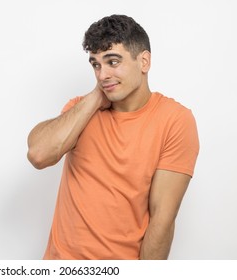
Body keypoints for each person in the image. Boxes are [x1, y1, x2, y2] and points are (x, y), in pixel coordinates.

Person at [27, 14, 199, 260]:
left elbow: (162, 219)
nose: (101, 74)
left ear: (144, 61)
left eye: (113, 62)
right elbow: (39, 154)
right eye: (96, 64)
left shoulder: (175, 120)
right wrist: (97, 97)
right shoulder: (81, 109)